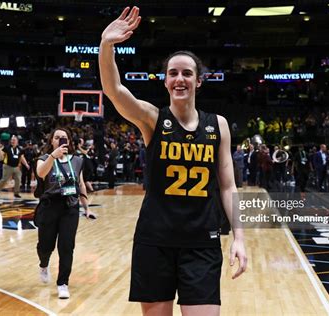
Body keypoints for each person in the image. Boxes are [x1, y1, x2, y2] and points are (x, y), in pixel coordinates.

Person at [99, 7, 246, 316]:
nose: (180, 79)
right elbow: (114, 90)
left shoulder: (217, 124)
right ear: (165, 82)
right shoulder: (152, 119)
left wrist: (239, 237)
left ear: (199, 81)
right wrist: (106, 45)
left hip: (202, 243)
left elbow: (229, 186)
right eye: (173, 73)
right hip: (155, 242)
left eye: (187, 73)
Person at [35, 127, 93, 299]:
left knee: (67, 246)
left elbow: (81, 184)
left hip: (70, 207)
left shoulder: (76, 160)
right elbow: (40, 173)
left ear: (69, 142)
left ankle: (63, 283)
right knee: (45, 246)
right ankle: (43, 264)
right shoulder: (44, 158)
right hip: (49, 206)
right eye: (57, 137)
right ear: (51, 141)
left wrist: (86, 208)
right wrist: (54, 155)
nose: (61, 140)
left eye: (64, 138)